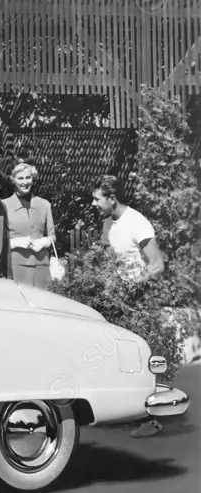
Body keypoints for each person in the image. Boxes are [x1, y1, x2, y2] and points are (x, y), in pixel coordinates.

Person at [91, 175, 167, 438]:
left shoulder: (138, 223)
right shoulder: (107, 225)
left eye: (97, 199)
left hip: (138, 302)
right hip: (115, 300)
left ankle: (152, 419)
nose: (93, 203)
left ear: (112, 199)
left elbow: (157, 265)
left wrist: (133, 289)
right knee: (121, 359)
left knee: (144, 357)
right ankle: (126, 412)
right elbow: (105, 260)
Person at [2, 162, 57, 288]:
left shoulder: (44, 204)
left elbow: (52, 235)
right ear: (13, 180)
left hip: (41, 266)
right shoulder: (3, 205)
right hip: (16, 267)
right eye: (20, 178)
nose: (25, 182)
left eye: (28, 178)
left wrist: (45, 241)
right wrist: (15, 242)